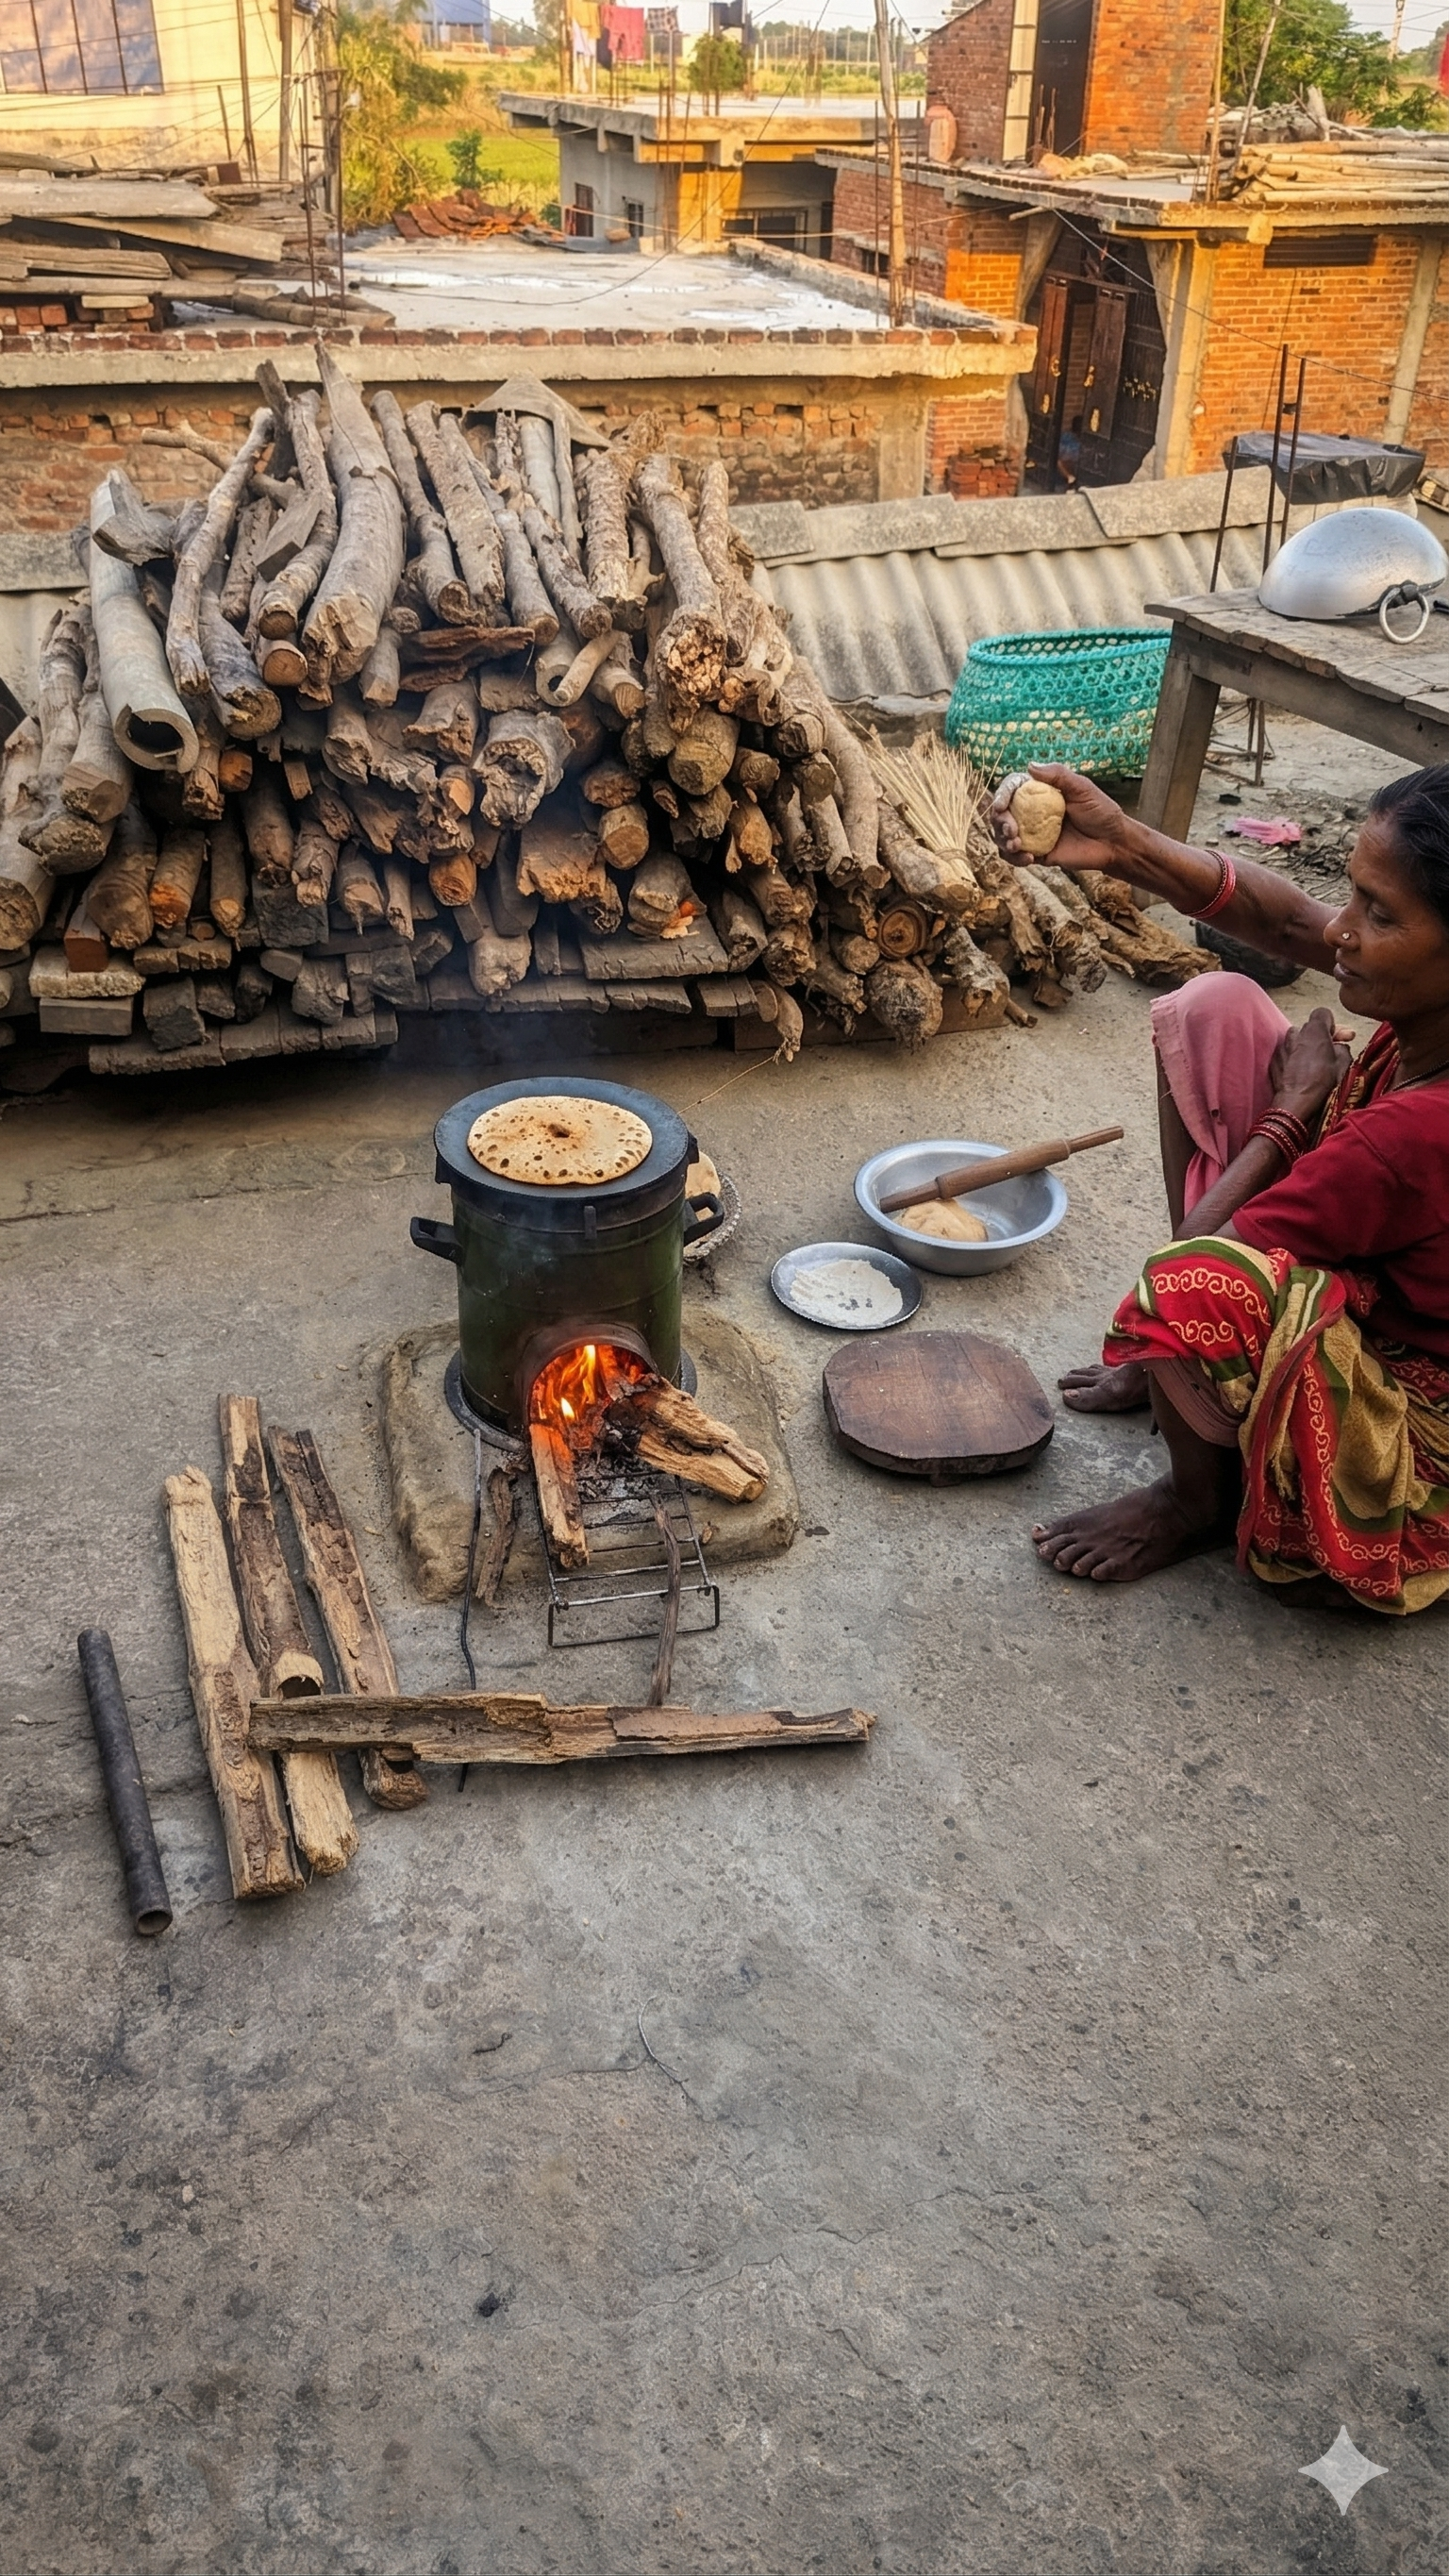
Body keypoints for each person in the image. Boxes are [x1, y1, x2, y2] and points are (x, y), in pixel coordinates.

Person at [991, 761, 1449, 1615]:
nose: (1340, 930)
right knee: (1217, 1007)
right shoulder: (1426, 1019)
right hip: (1375, 1237)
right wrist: (1121, 845)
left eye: (1377, 914)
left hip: (1412, 1416)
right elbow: (1285, 919)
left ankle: (1197, 1503)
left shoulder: (1414, 1133)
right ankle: (1182, 1382)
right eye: (1352, 895)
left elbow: (1190, 1260)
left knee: (1186, 1292)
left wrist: (1294, 1108)